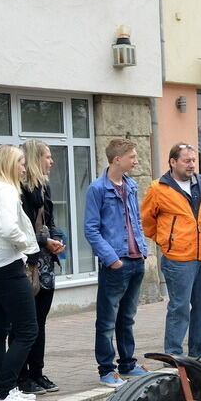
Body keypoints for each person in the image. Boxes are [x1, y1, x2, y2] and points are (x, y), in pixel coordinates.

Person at [84, 139, 151, 387]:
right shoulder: (97, 189)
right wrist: (111, 259)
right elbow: (91, 229)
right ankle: (106, 369)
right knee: (107, 320)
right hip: (117, 263)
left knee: (127, 317)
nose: (136, 160)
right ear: (117, 159)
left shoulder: (131, 186)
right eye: (132, 157)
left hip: (136, 261)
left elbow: (136, 222)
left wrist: (143, 252)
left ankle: (128, 364)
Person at [141, 143, 201, 361]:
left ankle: (198, 350)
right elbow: (146, 220)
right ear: (172, 162)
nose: (191, 165)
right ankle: (174, 353)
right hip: (178, 257)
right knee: (179, 306)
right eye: (186, 161)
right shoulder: (158, 188)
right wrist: (166, 240)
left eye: (193, 160)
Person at [15, 140, 66, 395]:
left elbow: (51, 222)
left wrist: (56, 240)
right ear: (36, 159)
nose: (52, 161)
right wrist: (45, 240)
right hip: (27, 264)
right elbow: (18, 234)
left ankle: (37, 373)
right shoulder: (19, 191)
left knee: (40, 322)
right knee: (25, 324)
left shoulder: (43, 188)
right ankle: (21, 377)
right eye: (47, 156)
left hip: (45, 264)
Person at [0, 145, 40, 401]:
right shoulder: (6, 190)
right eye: (21, 163)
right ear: (10, 164)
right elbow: (8, 228)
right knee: (27, 330)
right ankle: (4, 391)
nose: (24, 168)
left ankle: (3, 390)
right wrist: (25, 244)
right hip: (8, 267)